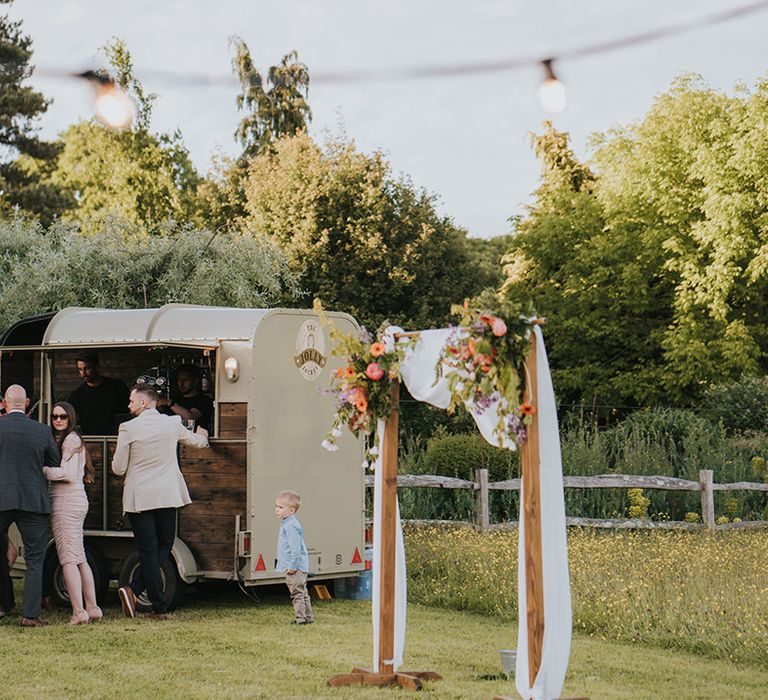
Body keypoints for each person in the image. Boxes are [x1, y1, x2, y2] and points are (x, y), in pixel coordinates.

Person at [112, 384, 209, 620]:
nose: (129, 405)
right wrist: (204, 434)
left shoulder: (127, 428)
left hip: (139, 497)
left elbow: (118, 468)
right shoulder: (172, 423)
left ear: (144, 403)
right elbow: (198, 443)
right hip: (166, 494)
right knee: (163, 546)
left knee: (147, 549)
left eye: (131, 401)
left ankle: (139, 594)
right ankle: (147, 600)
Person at [0, 385, 61, 627]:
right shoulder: (42, 431)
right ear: (26, 404)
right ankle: (30, 615)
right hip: (33, 501)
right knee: (35, 558)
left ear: (5, 403)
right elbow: (54, 464)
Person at [42, 402, 102, 625]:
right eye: (54, 416)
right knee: (78, 557)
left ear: (71, 418)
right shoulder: (73, 439)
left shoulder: (70, 440)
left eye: (63, 417)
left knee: (67, 558)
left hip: (66, 500)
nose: (58, 420)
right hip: (76, 500)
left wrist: (43, 469)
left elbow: (66, 474)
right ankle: (92, 607)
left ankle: (78, 611)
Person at [274, 490, 313, 625]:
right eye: (276, 506)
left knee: (297, 593)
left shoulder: (290, 526)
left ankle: (300, 618)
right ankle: (308, 617)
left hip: (295, 568)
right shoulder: (288, 523)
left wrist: (292, 566)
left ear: (291, 510)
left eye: (280, 507)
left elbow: (295, 549)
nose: (277, 510)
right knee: (303, 592)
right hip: (299, 566)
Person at [67, 352, 129, 435]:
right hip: (91, 442)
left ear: (97, 366)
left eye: (87, 368)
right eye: (80, 369)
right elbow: (67, 420)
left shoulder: (118, 387)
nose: (84, 374)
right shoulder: (77, 395)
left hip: (116, 438)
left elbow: (129, 413)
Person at [157, 364, 214, 431]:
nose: (181, 384)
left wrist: (170, 403)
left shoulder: (203, 400)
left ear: (195, 382)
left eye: (185, 380)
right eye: (179, 380)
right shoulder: (176, 399)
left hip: (194, 439)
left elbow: (190, 418)